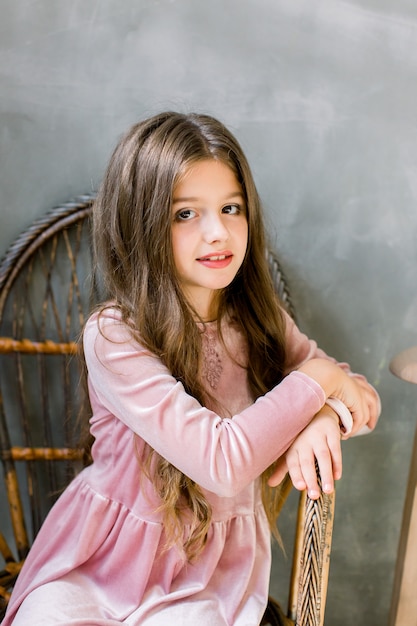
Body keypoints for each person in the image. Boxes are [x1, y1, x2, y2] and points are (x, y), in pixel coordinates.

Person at [3, 111, 380, 625]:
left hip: (209, 575)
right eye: (185, 214)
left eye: (231, 208)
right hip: (103, 562)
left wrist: (324, 414)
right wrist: (318, 380)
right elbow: (221, 462)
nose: (217, 232)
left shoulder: (258, 320)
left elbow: (364, 400)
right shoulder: (115, 336)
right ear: (143, 222)